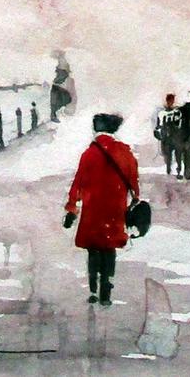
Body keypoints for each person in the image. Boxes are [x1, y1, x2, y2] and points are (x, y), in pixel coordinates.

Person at [63, 113, 139, 306]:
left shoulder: (89, 154)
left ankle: (93, 290)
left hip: (93, 209)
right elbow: (134, 182)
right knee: (109, 249)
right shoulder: (125, 153)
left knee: (93, 249)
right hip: (115, 209)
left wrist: (72, 207)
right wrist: (134, 199)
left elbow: (78, 183)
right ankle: (106, 291)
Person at [154, 93, 184, 178]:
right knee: (168, 155)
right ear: (167, 101)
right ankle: (168, 170)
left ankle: (178, 170)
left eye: (172, 100)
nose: (170, 102)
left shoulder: (177, 112)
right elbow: (158, 125)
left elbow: (179, 124)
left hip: (175, 136)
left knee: (178, 155)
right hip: (166, 137)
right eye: (169, 100)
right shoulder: (162, 113)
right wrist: (158, 133)